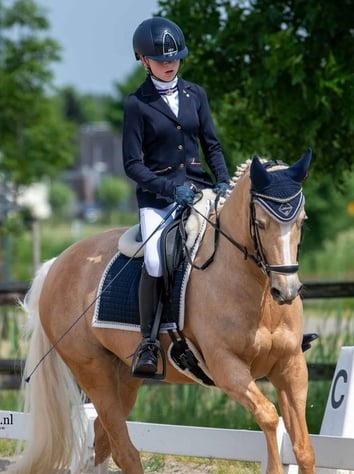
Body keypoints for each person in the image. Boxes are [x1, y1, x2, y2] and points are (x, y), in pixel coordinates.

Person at [123, 16, 231, 377]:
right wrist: (170, 189)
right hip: (159, 199)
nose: (170, 64)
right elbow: (132, 165)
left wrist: (223, 182)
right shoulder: (136, 105)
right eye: (161, 59)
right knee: (155, 261)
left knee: (240, 239)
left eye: (175, 58)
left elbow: (212, 146)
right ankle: (149, 342)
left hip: (200, 190)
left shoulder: (195, 94)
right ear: (143, 60)